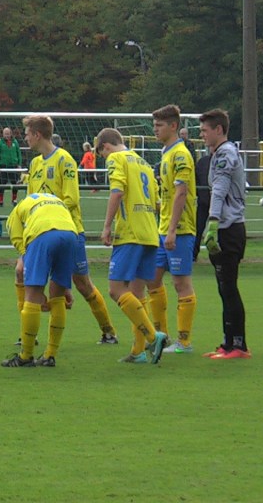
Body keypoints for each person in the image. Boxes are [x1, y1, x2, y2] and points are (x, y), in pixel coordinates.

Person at [22, 115, 118, 345]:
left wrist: (49, 213)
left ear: (37, 134)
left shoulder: (64, 160)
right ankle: (28, 335)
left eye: (27, 134)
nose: (25, 138)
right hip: (40, 233)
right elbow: (30, 199)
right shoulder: (35, 164)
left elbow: (71, 199)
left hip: (69, 231)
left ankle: (108, 331)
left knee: (82, 283)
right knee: (25, 275)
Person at [95, 127, 169, 364]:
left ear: (105, 147)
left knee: (116, 290)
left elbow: (117, 192)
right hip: (150, 234)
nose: (104, 158)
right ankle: (138, 351)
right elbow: (157, 203)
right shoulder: (144, 163)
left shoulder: (116, 159)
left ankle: (152, 337)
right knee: (137, 293)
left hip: (130, 233)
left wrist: (107, 226)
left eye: (102, 154)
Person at [0, 192, 79, 367]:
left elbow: (17, 239)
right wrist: (66, 287)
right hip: (71, 234)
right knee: (58, 296)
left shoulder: (17, 211)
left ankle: (26, 356)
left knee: (32, 295)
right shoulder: (54, 200)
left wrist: (26, 258)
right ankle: (50, 355)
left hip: (43, 234)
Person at [145, 105, 198, 354]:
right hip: (162, 227)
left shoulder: (180, 155)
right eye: (154, 125)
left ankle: (184, 342)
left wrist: (173, 230)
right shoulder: (166, 153)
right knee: (152, 279)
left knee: (180, 283)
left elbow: (181, 193)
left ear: (173, 126)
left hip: (180, 229)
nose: (155, 130)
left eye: (160, 125)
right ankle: (161, 337)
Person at [199, 109, 250, 359]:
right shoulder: (219, 154)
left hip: (228, 228)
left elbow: (219, 190)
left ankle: (238, 344)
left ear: (218, 130)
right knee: (224, 287)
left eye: (205, 130)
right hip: (226, 226)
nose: (202, 135)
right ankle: (228, 342)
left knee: (228, 287)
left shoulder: (225, 154)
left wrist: (213, 223)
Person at [0, 127, 23, 206]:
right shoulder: (0, 143)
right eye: (5, 134)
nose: (6, 135)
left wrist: (19, 164)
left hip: (13, 166)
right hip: (3, 166)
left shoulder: (15, 142)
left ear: (10, 134)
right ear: (3, 134)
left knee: (15, 183)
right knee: (2, 183)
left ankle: (14, 199)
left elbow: (19, 153)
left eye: (8, 134)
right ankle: (0, 200)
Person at [192, 147, 213, 261]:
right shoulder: (203, 162)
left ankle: (222, 254)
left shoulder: (222, 162)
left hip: (216, 202)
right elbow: (195, 180)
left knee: (221, 229)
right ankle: (193, 254)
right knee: (198, 228)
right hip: (204, 201)